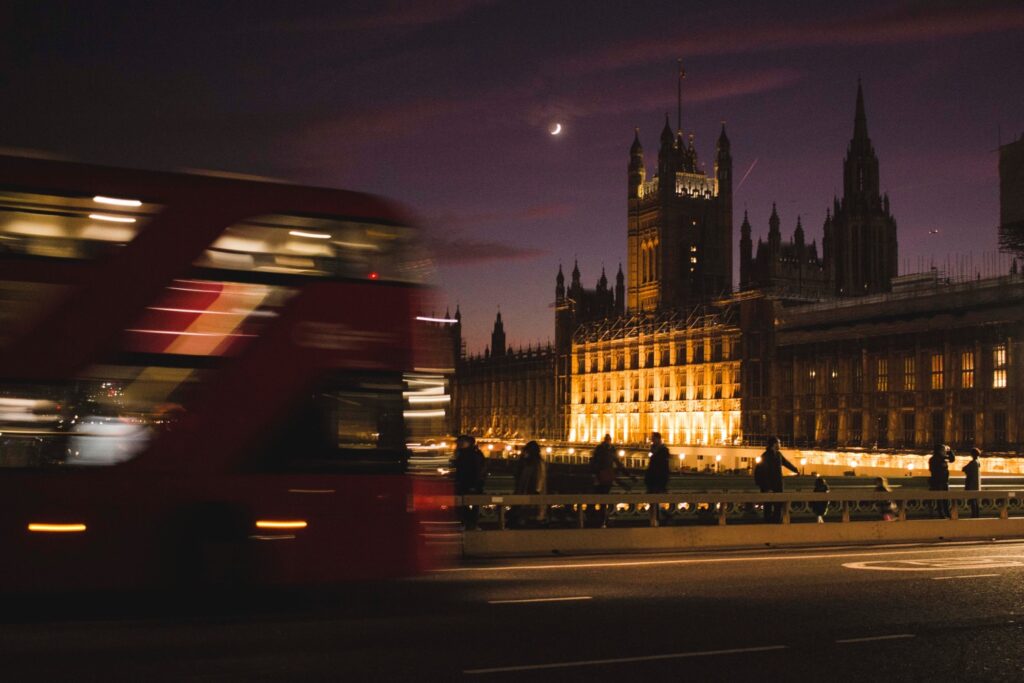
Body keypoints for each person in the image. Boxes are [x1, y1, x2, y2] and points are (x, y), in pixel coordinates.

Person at [589, 434, 634, 527]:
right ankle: (601, 519)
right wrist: (629, 475)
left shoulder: (602, 450)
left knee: (598, 499)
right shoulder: (608, 450)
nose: (608, 442)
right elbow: (618, 464)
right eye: (608, 440)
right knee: (602, 500)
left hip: (602, 477)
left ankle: (598, 519)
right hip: (605, 477)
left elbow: (595, 463)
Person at [758, 436, 799, 523]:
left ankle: (772, 523)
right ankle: (771, 523)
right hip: (770, 486)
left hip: (777, 485)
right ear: (774, 444)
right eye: (779, 443)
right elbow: (762, 474)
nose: (780, 444)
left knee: (776, 506)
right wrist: (766, 488)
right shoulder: (766, 456)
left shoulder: (776, 454)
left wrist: (795, 470)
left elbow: (786, 463)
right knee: (771, 506)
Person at [452, 434, 487, 530]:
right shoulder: (462, 454)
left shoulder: (473, 454)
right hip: (464, 483)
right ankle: (469, 522)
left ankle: (470, 522)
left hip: (472, 483)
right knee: (463, 504)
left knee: (469, 504)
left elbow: (478, 469)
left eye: (462, 442)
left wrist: (476, 483)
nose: (460, 444)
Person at [512, 440, 547, 527]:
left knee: (531, 516)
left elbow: (540, 477)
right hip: (526, 492)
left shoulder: (536, 463)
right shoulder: (527, 463)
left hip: (532, 493)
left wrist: (537, 490)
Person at [645, 432, 671, 523]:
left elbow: (662, 467)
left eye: (653, 439)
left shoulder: (663, 450)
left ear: (658, 439)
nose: (652, 441)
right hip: (653, 479)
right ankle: (657, 518)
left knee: (655, 500)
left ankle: (658, 518)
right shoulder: (655, 449)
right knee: (653, 501)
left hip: (657, 479)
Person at [928, 443, 955, 519]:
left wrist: (949, 451)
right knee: (941, 499)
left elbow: (952, 459)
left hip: (943, 481)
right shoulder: (936, 459)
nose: (944, 451)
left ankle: (945, 513)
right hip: (938, 481)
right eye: (943, 450)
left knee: (944, 499)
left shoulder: (941, 458)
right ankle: (942, 513)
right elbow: (933, 470)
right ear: (939, 450)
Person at [963, 447, 982, 518]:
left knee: (972, 501)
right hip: (976, 485)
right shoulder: (977, 462)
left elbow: (964, 469)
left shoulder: (973, 463)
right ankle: (976, 514)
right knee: (975, 501)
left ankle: (974, 514)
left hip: (971, 484)